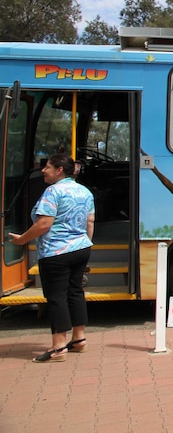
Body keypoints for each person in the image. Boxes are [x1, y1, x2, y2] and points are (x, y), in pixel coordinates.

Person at [7, 153, 95, 363]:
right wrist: (84, 243)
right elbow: (90, 221)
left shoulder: (52, 192)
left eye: (47, 167)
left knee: (57, 297)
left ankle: (58, 347)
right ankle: (79, 339)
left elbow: (44, 224)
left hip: (56, 252)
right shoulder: (84, 191)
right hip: (81, 248)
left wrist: (22, 240)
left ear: (59, 170)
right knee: (75, 292)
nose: (43, 170)